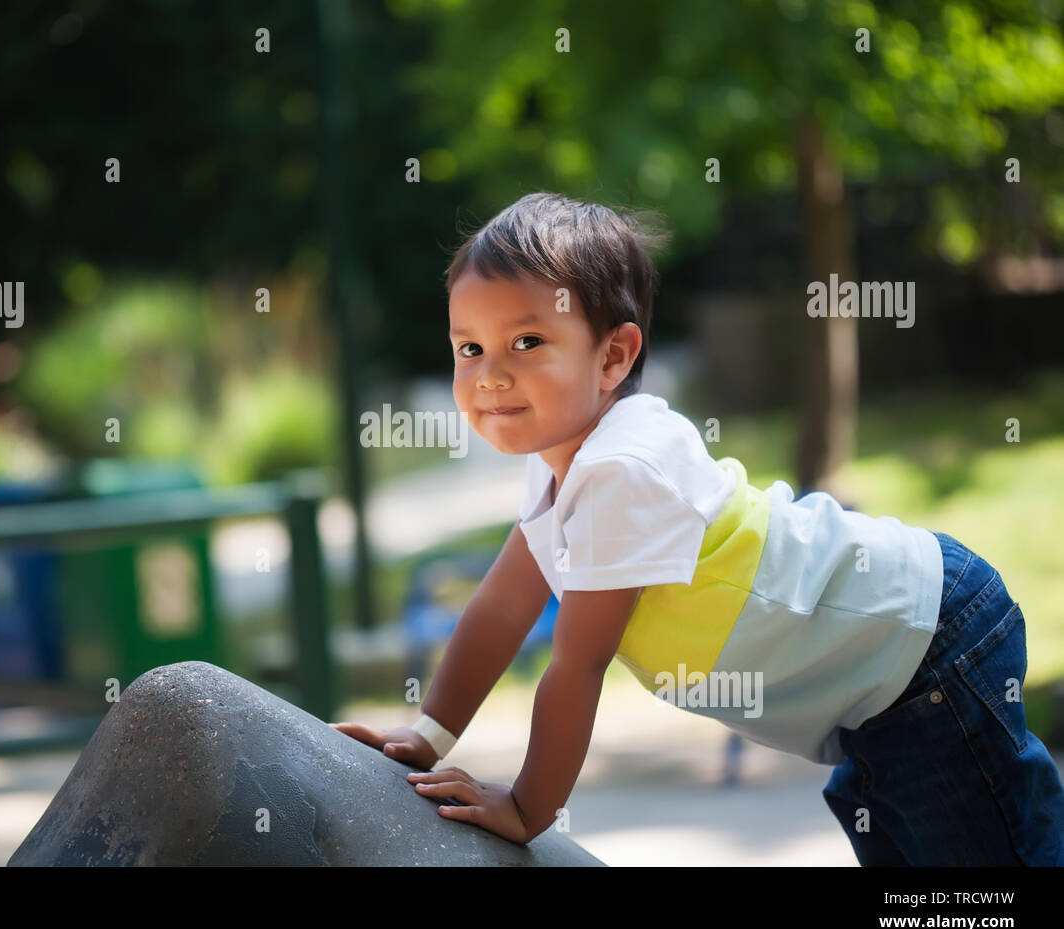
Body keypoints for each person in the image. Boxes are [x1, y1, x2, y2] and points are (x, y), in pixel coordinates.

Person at [330, 191, 1064, 864]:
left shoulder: (624, 468)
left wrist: (529, 808)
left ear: (614, 355)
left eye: (526, 343)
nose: (490, 374)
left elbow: (577, 665)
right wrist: (428, 738)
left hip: (927, 642)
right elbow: (501, 606)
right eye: (470, 348)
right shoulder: (560, 463)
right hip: (880, 689)